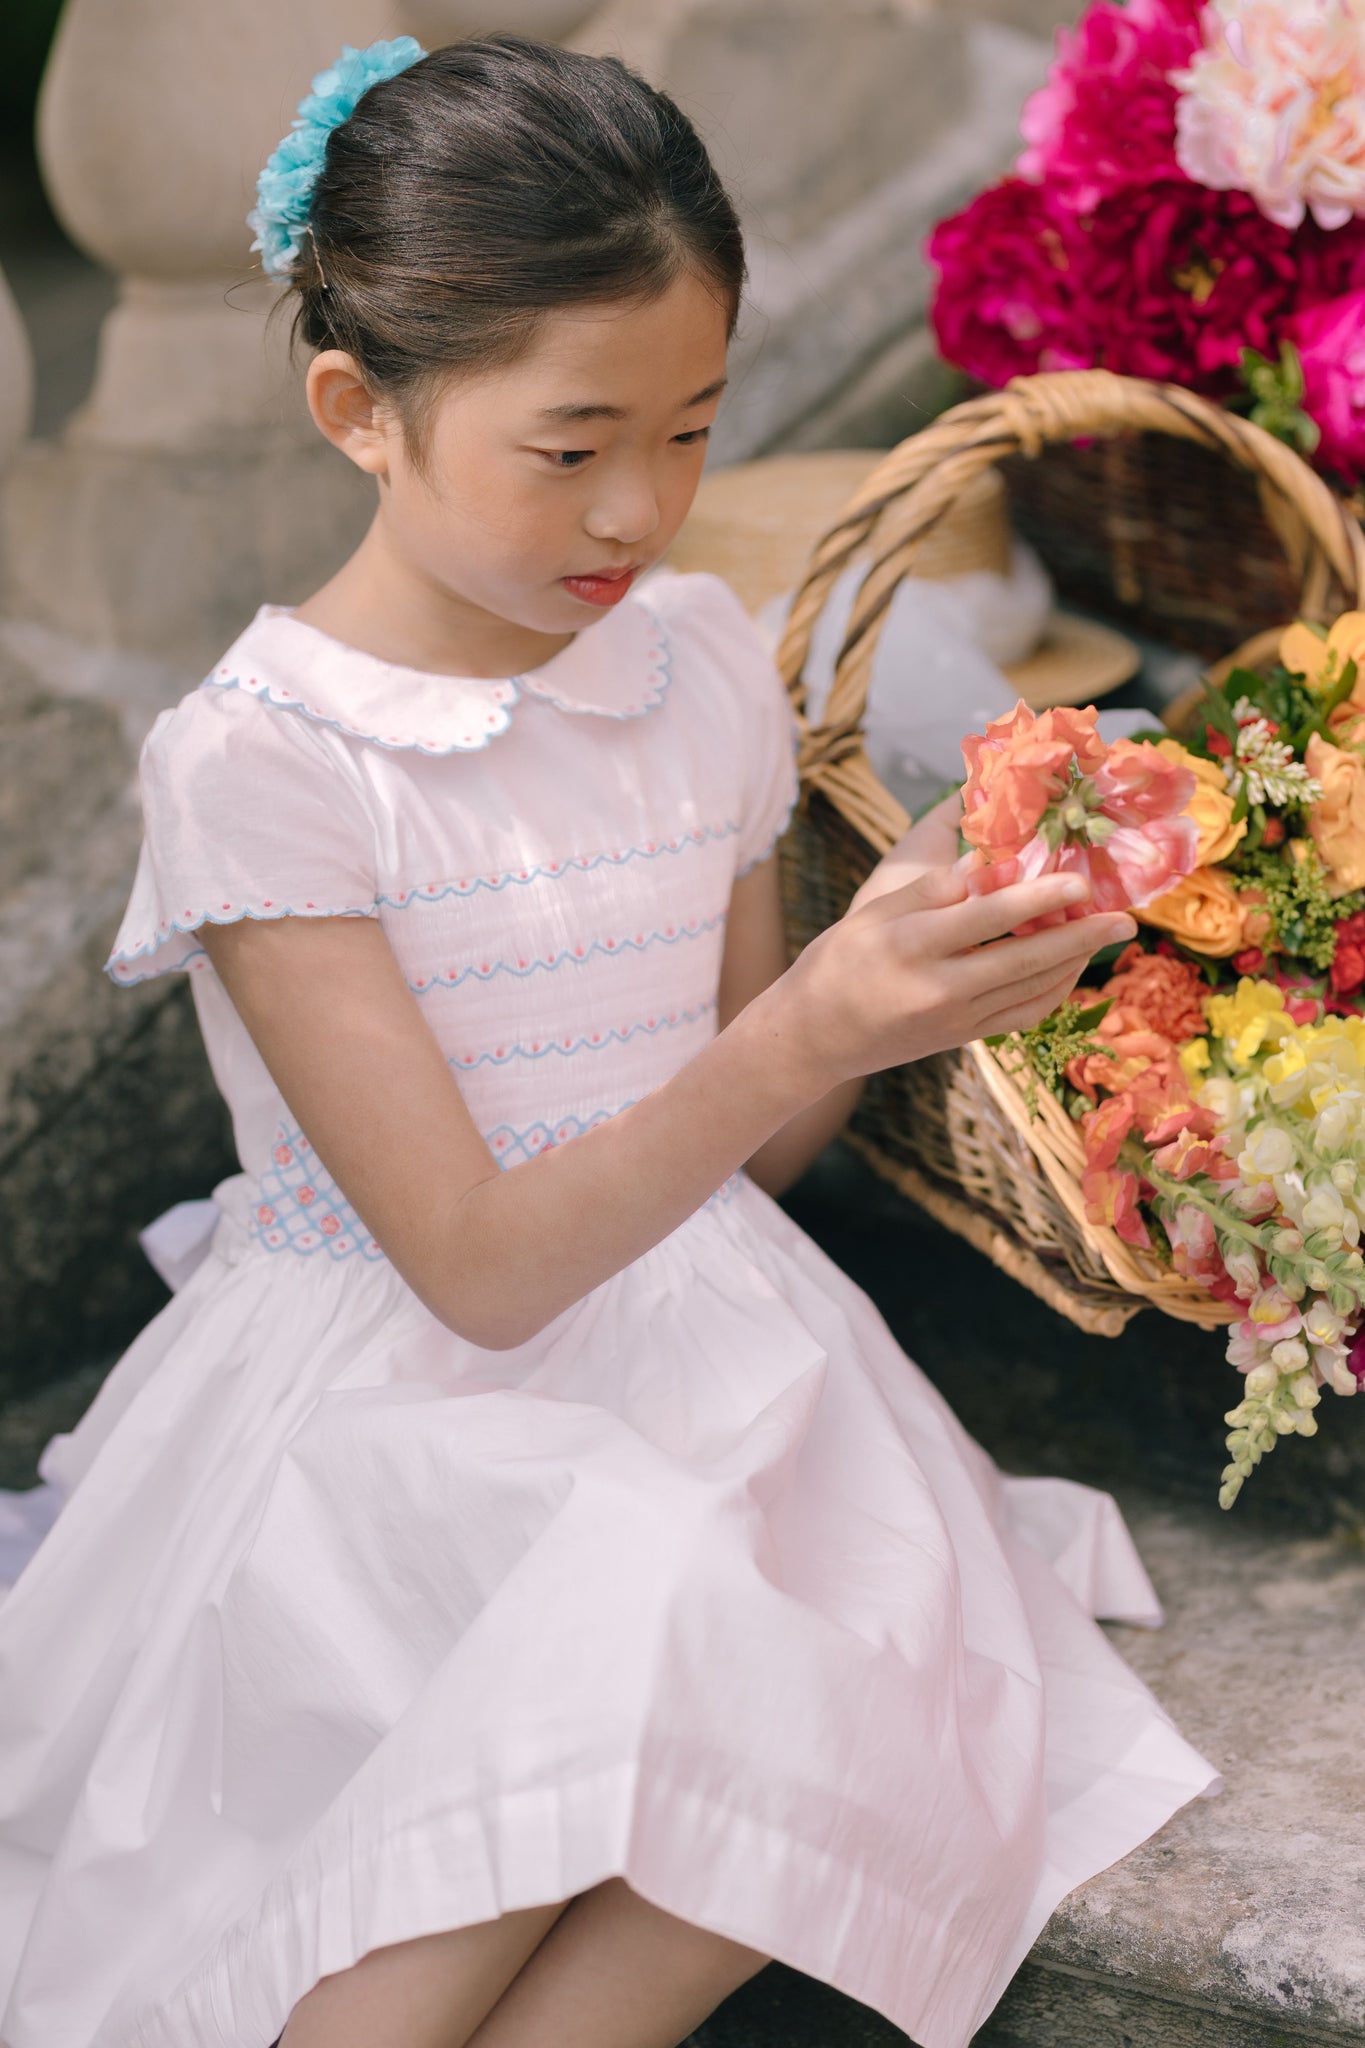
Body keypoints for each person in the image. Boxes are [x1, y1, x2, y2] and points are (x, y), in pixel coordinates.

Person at [0, 34, 1217, 2048]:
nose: (638, 508)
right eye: (566, 448)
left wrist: (905, 969)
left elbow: (741, 1153)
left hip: (714, 1357)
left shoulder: (700, 667)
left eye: (690, 430)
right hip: (387, 1406)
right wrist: (814, 1017)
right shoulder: (268, 765)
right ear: (356, 411)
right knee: (616, 1630)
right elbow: (475, 1269)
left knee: (747, 1692)